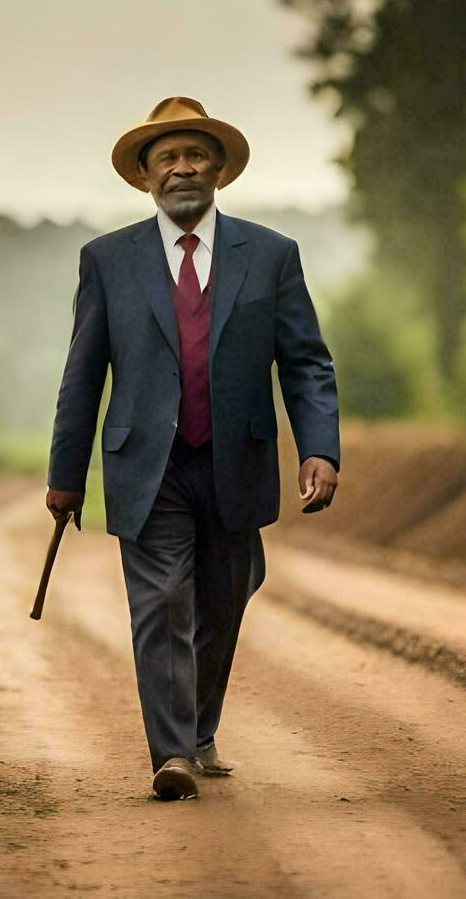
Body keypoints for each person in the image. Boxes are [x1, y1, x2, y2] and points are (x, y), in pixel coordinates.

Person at [45, 96, 340, 801]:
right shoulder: (108, 261)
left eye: (195, 156)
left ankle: (200, 728)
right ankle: (172, 752)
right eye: (168, 158)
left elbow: (305, 362)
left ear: (218, 170)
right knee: (161, 606)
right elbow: (83, 373)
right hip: (147, 467)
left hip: (235, 459)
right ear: (146, 175)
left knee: (222, 602)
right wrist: (65, 476)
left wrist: (319, 447)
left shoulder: (271, 255)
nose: (182, 169)